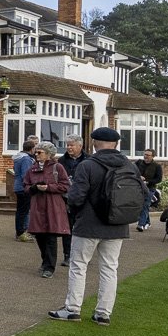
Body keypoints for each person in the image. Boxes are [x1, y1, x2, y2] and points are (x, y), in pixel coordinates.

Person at [49, 127, 133, 324]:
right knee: (110, 269)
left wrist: (75, 213)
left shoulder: (87, 165)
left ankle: (72, 309)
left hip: (88, 224)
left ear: (94, 143)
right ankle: (103, 313)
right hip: (117, 225)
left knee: (78, 267)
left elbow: (76, 197)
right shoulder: (129, 166)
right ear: (116, 144)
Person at [23, 143, 70, 278]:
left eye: (40, 153)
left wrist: (48, 187)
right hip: (37, 205)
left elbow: (65, 186)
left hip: (53, 206)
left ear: (49, 154)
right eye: (36, 152)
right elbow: (25, 186)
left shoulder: (58, 167)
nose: (36, 155)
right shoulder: (32, 169)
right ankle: (45, 261)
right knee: (40, 236)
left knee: (50, 237)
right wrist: (34, 188)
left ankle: (49, 267)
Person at [54, 135, 85, 265]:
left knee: (82, 229)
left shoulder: (89, 160)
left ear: (80, 146)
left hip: (83, 200)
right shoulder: (61, 161)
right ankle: (67, 255)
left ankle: (81, 256)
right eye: (67, 145)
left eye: (72, 145)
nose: (69, 147)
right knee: (67, 229)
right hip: (65, 200)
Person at [12, 135, 39, 241]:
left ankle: (20, 232)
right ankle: (21, 233)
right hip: (24, 188)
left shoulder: (18, 157)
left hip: (18, 186)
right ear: (32, 149)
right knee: (23, 211)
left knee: (21, 211)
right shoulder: (26, 159)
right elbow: (26, 175)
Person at [135, 148, 163, 232]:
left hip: (150, 188)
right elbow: (132, 171)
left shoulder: (157, 166)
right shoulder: (138, 163)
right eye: (145, 154)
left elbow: (159, 179)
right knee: (141, 205)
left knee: (145, 204)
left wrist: (147, 181)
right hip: (138, 188)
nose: (145, 156)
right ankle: (147, 222)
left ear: (153, 156)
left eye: (148, 155)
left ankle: (141, 224)